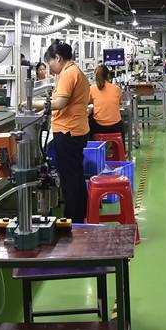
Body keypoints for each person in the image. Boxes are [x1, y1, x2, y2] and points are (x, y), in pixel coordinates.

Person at [44, 42, 91, 223]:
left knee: (69, 178)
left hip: (67, 131)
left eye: (50, 62)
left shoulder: (67, 74)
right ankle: (80, 214)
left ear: (58, 58)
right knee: (76, 175)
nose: (49, 67)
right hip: (77, 130)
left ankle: (72, 220)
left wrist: (33, 104)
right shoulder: (75, 71)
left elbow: (60, 103)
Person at [89, 65, 124, 134]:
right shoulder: (117, 89)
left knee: (89, 124)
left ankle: (94, 141)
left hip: (99, 127)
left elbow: (88, 102)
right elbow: (120, 102)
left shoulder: (92, 89)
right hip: (115, 126)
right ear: (108, 76)